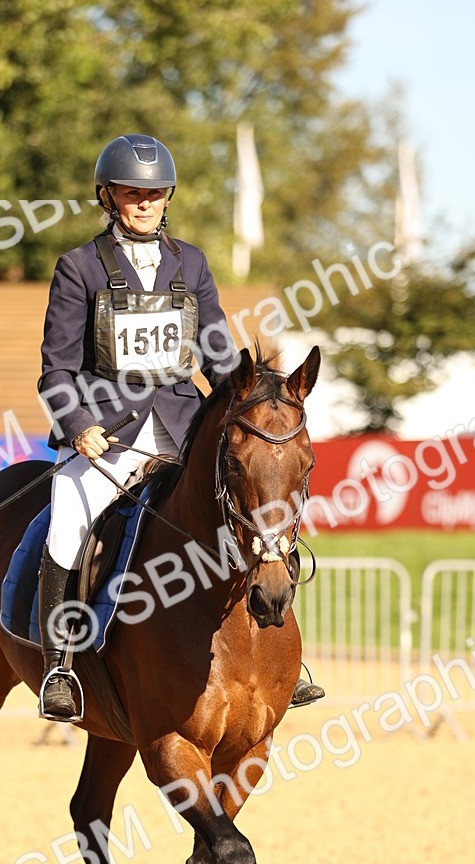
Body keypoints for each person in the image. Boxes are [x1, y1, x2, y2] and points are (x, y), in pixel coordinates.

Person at [37, 133, 324, 720]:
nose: (143, 201)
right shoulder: (79, 268)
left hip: (182, 422)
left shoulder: (190, 263)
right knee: (69, 516)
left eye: (154, 192)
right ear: (108, 195)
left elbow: (217, 355)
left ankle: (283, 654)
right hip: (107, 430)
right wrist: (77, 426)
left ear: (168, 197)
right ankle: (60, 665)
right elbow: (57, 369)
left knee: (257, 505)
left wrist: (254, 397)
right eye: (131, 192)